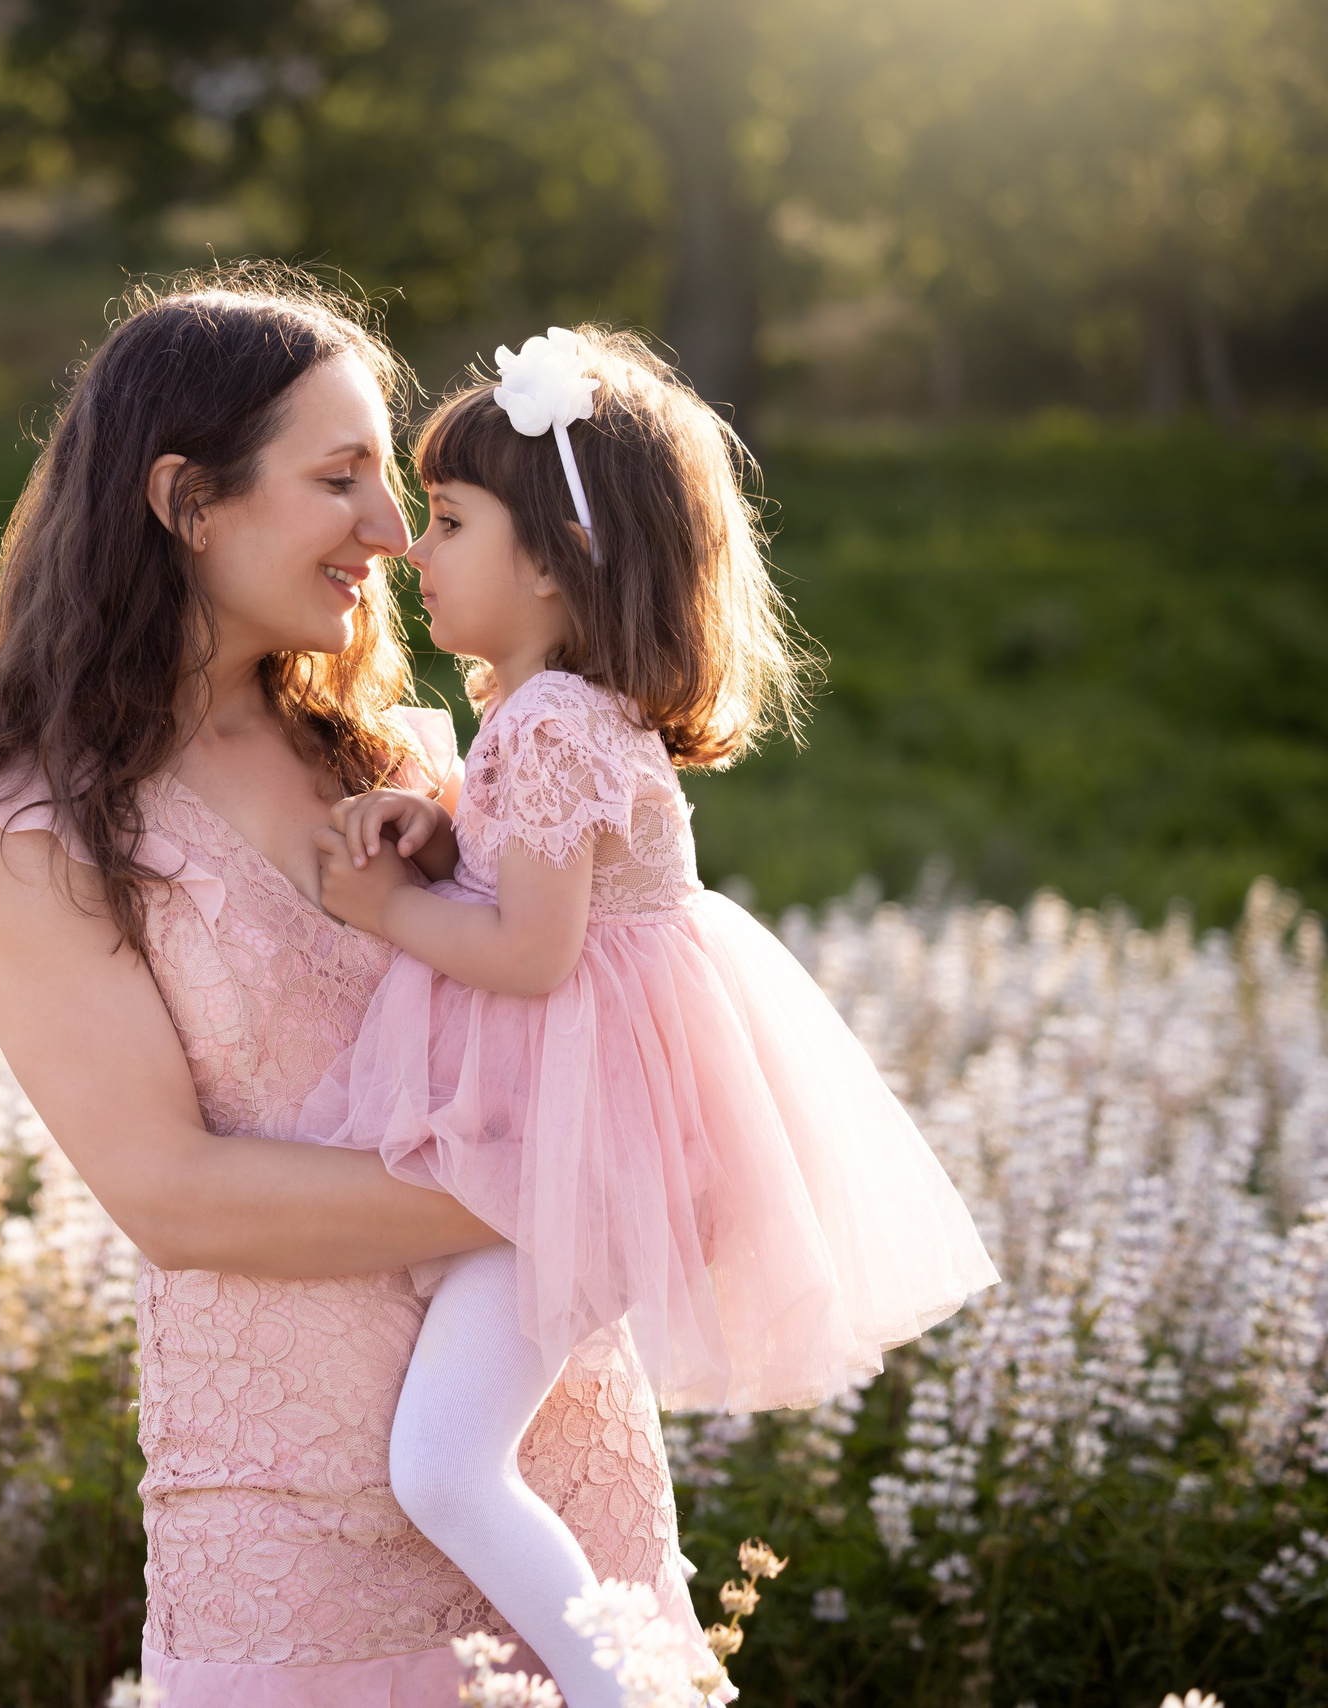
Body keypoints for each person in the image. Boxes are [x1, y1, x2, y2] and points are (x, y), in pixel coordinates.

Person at [0, 275, 699, 1705]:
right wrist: (566, 1186)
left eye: (398, 489)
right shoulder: (29, 830)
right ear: (187, 503)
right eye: (341, 480)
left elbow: (598, 983)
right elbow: (176, 1197)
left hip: (555, 1477)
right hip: (293, 1521)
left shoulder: (404, 759)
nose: (390, 531)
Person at [296, 326, 1000, 1704]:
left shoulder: (552, 721)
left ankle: (620, 1691)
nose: (412, 550)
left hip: (571, 1143)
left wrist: (383, 909)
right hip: (590, 1126)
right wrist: (439, 836)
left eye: (450, 521)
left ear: (556, 561)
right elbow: (538, 876)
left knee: (443, 1467)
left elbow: (534, 953)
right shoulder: (560, 709)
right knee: (452, 1450)